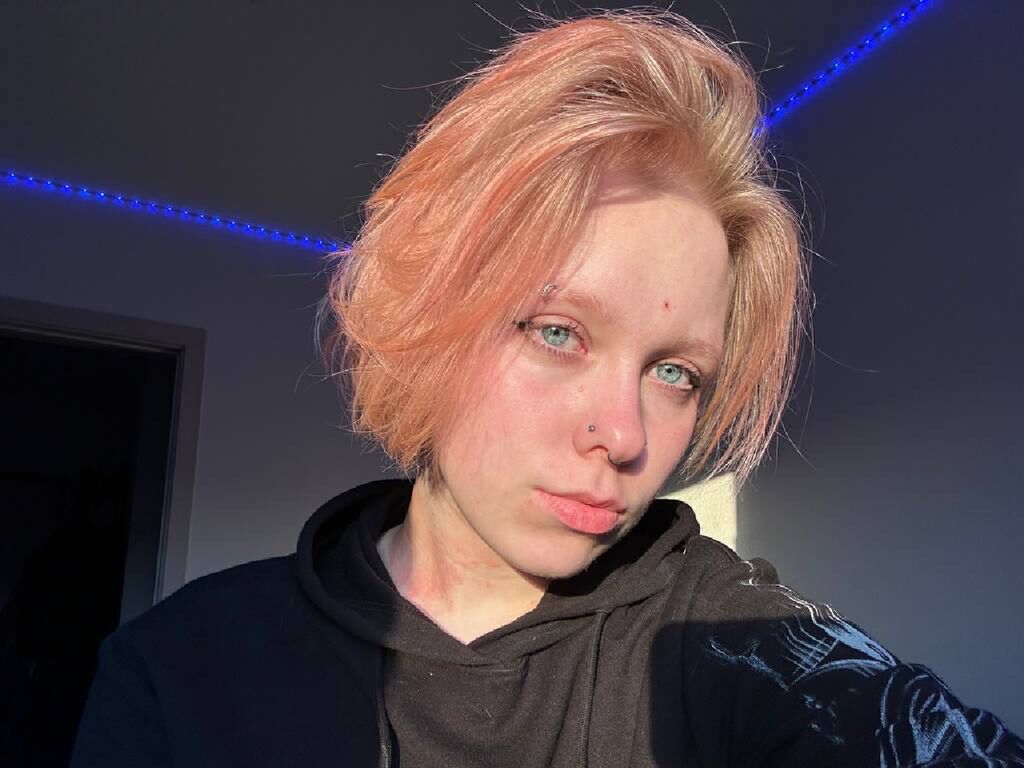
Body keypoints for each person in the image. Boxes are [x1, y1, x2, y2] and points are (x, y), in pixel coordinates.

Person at [71, 9, 1024, 767]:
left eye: (675, 372)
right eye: (558, 331)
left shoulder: (725, 645)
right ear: (432, 317)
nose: (626, 436)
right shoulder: (180, 669)